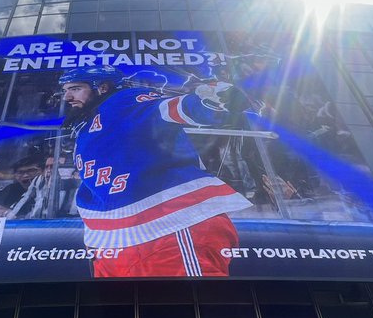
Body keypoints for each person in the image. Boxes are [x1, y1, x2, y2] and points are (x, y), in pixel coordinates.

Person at [58, 66, 252, 277]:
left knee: (187, 307)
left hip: (170, 223)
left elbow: (170, 109)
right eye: (65, 90)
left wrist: (212, 101)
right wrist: (95, 238)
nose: (67, 96)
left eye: (75, 88)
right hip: (112, 241)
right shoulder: (85, 125)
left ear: (102, 87)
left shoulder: (124, 100)